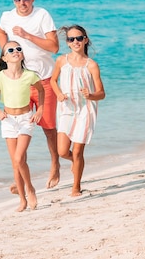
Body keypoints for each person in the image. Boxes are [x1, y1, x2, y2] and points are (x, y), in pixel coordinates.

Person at [0, 0, 60, 189]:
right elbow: (0, 31)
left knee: (49, 128)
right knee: (17, 130)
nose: (22, 2)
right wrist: (6, 51)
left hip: (44, 80)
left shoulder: (42, 15)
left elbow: (54, 47)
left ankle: (55, 165)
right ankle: (20, 179)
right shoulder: (7, 17)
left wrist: (27, 36)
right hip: (19, 83)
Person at [50, 25, 105, 197]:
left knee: (79, 151)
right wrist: (58, 94)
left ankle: (76, 187)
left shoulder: (91, 65)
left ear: (85, 40)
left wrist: (91, 95)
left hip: (85, 110)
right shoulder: (61, 61)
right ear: (67, 43)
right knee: (62, 151)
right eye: (71, 39)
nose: (75, 42)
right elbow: (53, 80)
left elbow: (101, 93)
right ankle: (76, 162)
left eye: (79, 38)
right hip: (66, 108)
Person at [0, 41, 43, 212]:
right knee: (16, 163)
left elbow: (41, 91)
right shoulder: (0, 77)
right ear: (4, 58)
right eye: (11, 50)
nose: (16, 51)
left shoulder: (30, 75)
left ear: (22, 54)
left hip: (26, 119)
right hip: (8, 121)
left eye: (18, 49)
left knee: (19, 158)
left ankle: (30, 189)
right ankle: (22, 200)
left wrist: (39, 109)